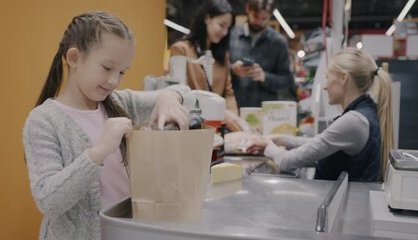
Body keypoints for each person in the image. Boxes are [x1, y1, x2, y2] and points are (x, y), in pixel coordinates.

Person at [23, 11, 194, 240]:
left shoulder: (121, 103)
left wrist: (168, 98)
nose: (114, 80)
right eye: (106, 68)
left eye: (122, 72)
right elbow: (48, 201)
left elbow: (187, 93)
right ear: (74, 58)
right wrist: (98, 152)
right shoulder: (43, 121)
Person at [249, 48, 394, 182]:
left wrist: (268, 146)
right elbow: (323, 145)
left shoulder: (353, 121)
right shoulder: (364, 113)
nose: (325, 86)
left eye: (327, 77)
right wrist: (283, 140)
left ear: (343, 78)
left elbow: (287, 162)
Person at [169, 0, 250, 131]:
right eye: (221, 25)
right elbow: (181, 94)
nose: (224, 32)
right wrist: (221, 113)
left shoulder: (222, 56)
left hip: (218, 128)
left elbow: (228, 93)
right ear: (207, 18)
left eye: (228, 28)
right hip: (191, 128)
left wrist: (233, 119)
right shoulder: (181, 50)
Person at [230, 0, 294, 107]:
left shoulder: (278, 42)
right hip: (234, 107)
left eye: (264, 19)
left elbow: (286, 81)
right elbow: (217, 69)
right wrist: (233, 69)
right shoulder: (231, 35)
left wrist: (264, 77)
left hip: (265, 110)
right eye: (255, 16)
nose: (259, 22)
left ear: (270, 16)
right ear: (248, 9)